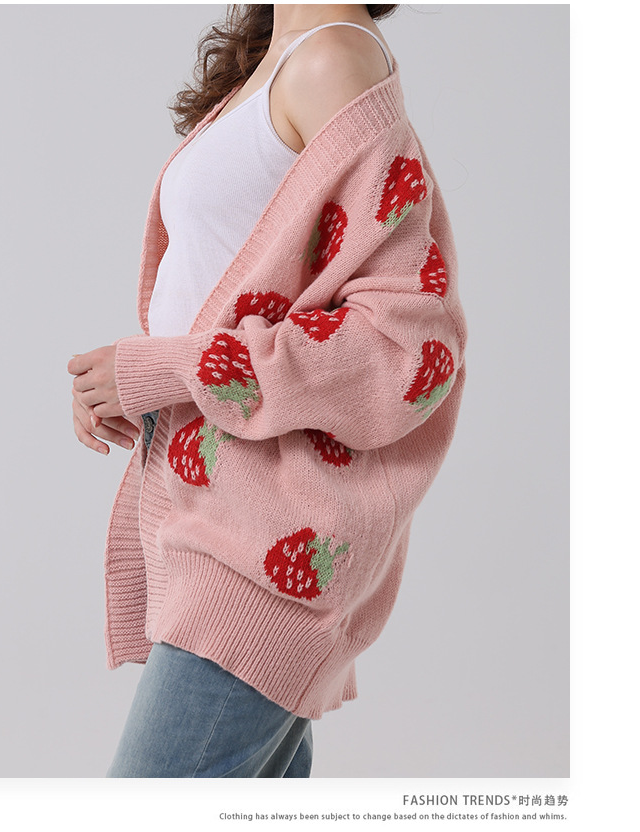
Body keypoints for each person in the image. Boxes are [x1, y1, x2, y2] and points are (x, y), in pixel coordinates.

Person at [67, 3, 467, 778]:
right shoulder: (273, 62)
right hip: (218, 518)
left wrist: (165, 370)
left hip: (261, 546)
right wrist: (141, 385)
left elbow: (402, 346)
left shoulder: (332, 62)